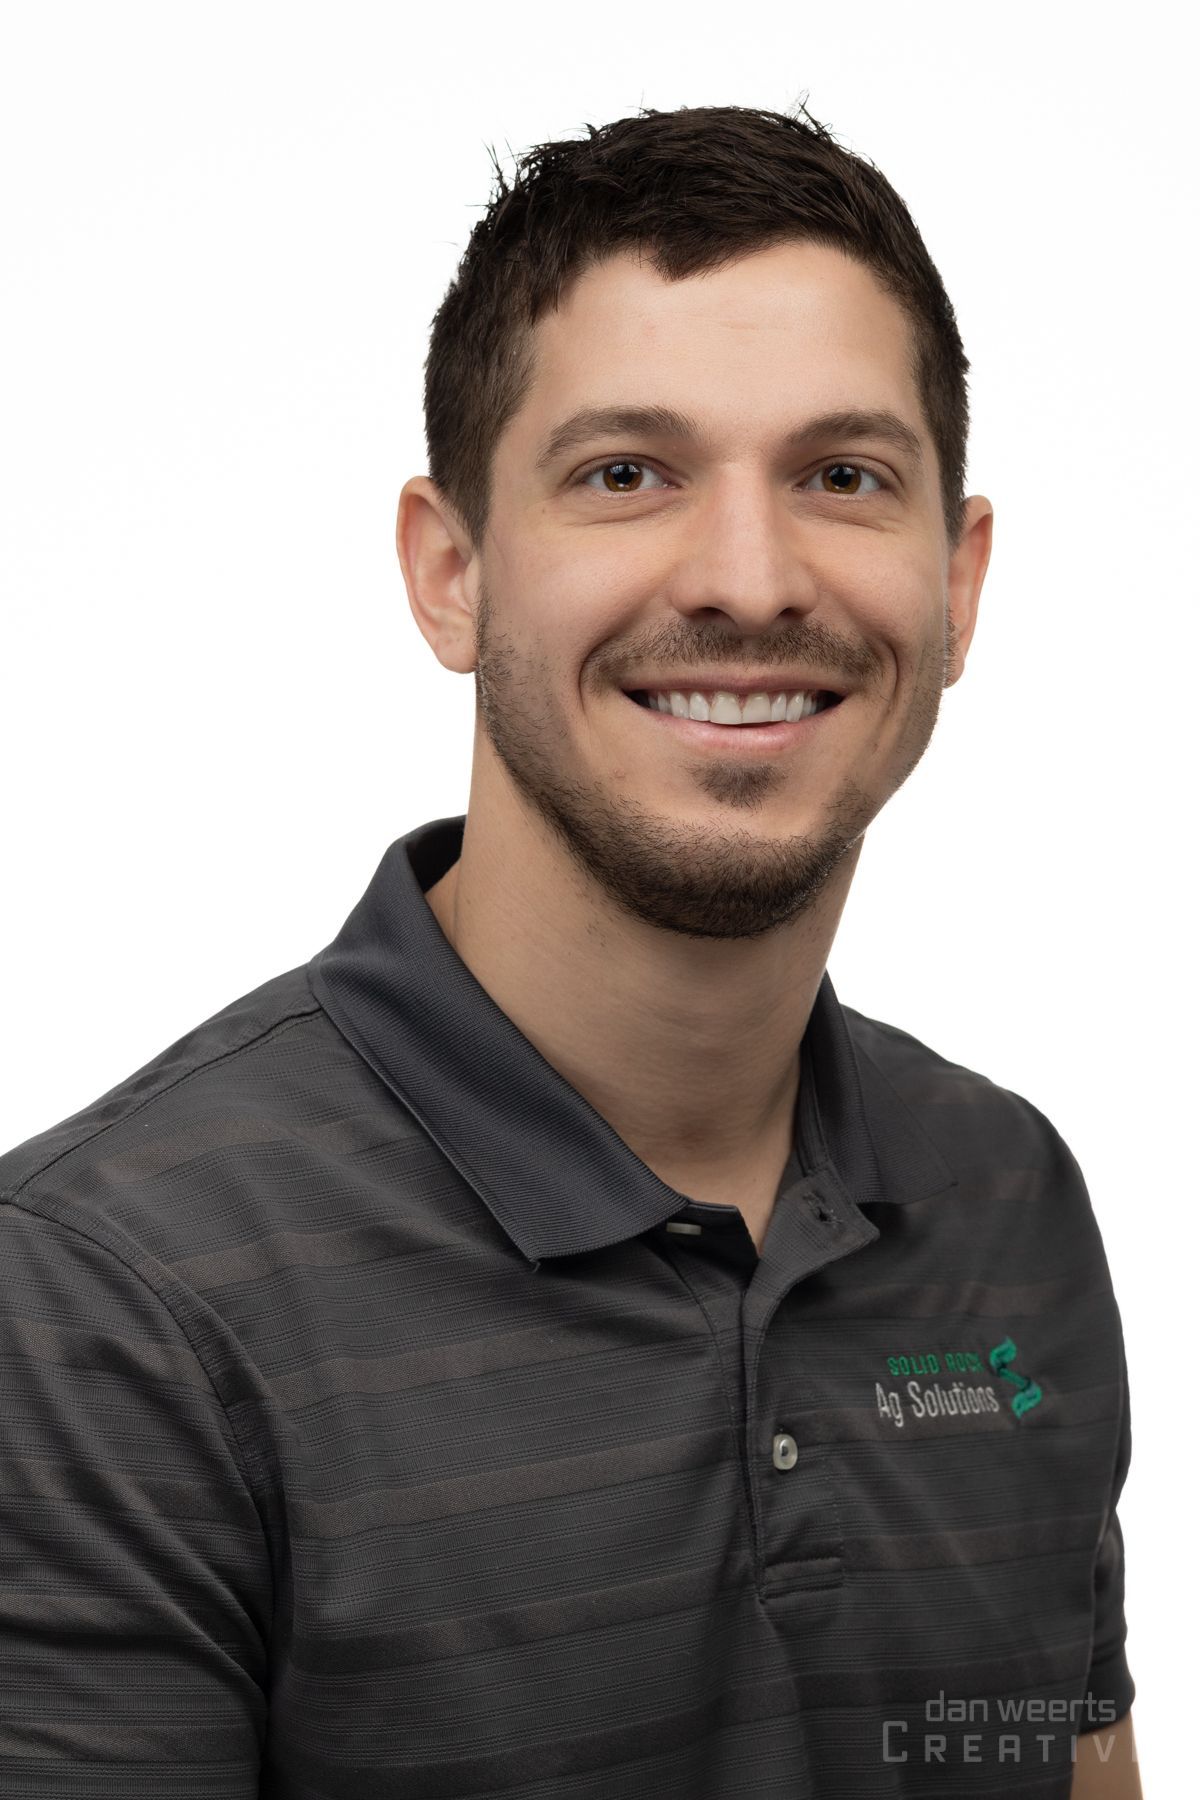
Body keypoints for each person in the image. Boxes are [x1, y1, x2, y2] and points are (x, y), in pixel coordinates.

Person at [0, 103, 1138, 1797]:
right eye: (627, 474)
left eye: (844, 476)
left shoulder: (1006, 1196)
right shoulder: (100, 1309)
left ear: (958, 584)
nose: (750, 580)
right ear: (451, 572)